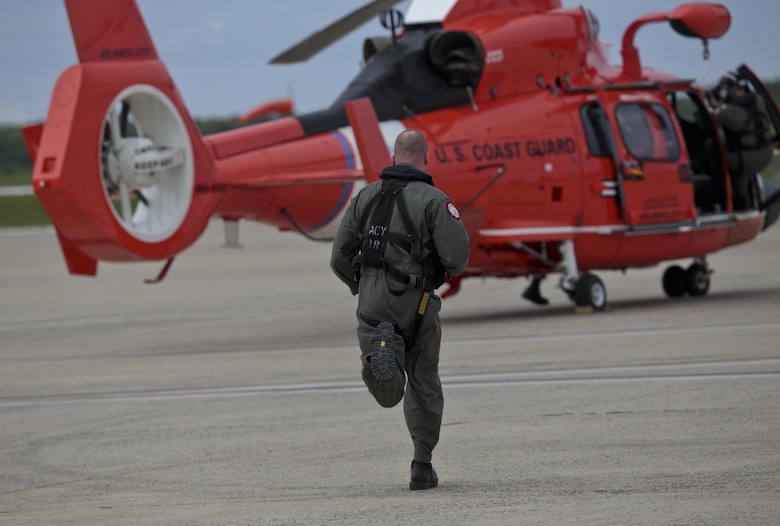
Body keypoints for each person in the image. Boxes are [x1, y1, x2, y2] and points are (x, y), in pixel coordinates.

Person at [330, 129, 470, 490]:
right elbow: (456, 259)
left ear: (393, 159)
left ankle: (383, 358)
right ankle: (422, 465)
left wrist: (361, 287)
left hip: (373, 303)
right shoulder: (435, 201)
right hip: (418, 302)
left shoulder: (364, 198)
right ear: (425, 158)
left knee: (389, 392)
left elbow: (339, 257)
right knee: (424, 378)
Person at [710, 74, 773, 210]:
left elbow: (707, 124)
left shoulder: (728, 112)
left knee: (710, 147)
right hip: (767, 154)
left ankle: (723, 192)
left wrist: (715, 105)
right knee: (741, 173)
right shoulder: (758, 100)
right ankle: (744, 199)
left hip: (744, 159)